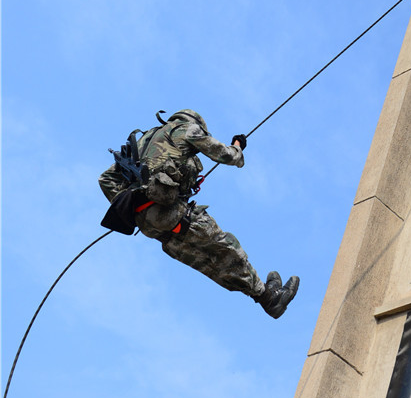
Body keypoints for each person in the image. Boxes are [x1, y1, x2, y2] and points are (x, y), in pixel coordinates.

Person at [98, 109, 298, 318]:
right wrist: (237, 147)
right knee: (226, 247)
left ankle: (265, 297)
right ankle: (268, 298)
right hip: (174, 214)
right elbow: (227, 156)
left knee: (206, 263)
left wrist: (131, 203)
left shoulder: (143, 141)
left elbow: (105, 178)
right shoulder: (187, 129)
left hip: (152, 227)